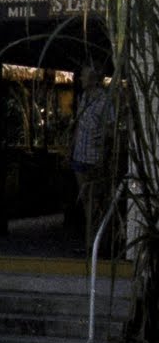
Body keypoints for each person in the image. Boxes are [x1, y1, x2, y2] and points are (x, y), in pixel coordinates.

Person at [70, 64, 115, 253]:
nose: (80, 79)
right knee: (86, 202)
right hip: (79, 155)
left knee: (94, 202)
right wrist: (71, 147)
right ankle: (90, 244)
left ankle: (96, 244)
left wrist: (102, 138)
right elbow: (79, 125)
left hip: (94, 157)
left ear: (94, 79)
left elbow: (111, 129)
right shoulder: (83, 98)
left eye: (84, 76)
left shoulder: (104, 101)